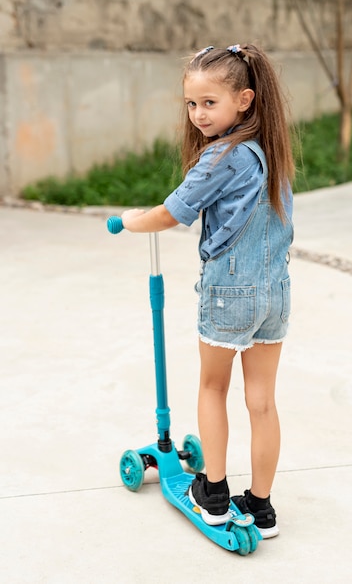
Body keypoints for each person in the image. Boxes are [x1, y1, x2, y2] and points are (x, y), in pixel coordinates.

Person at [121, 43, 295, 539]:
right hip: (275, 294)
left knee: (212, 388)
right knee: (262, 401)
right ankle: (261, 506)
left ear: (244, 99)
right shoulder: (272, 153)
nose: (198, 114)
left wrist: (129, 221)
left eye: (209, 103)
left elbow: (171, 212)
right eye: (191, 104)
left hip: (231, 294)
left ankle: (213, 495)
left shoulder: (222, 155)